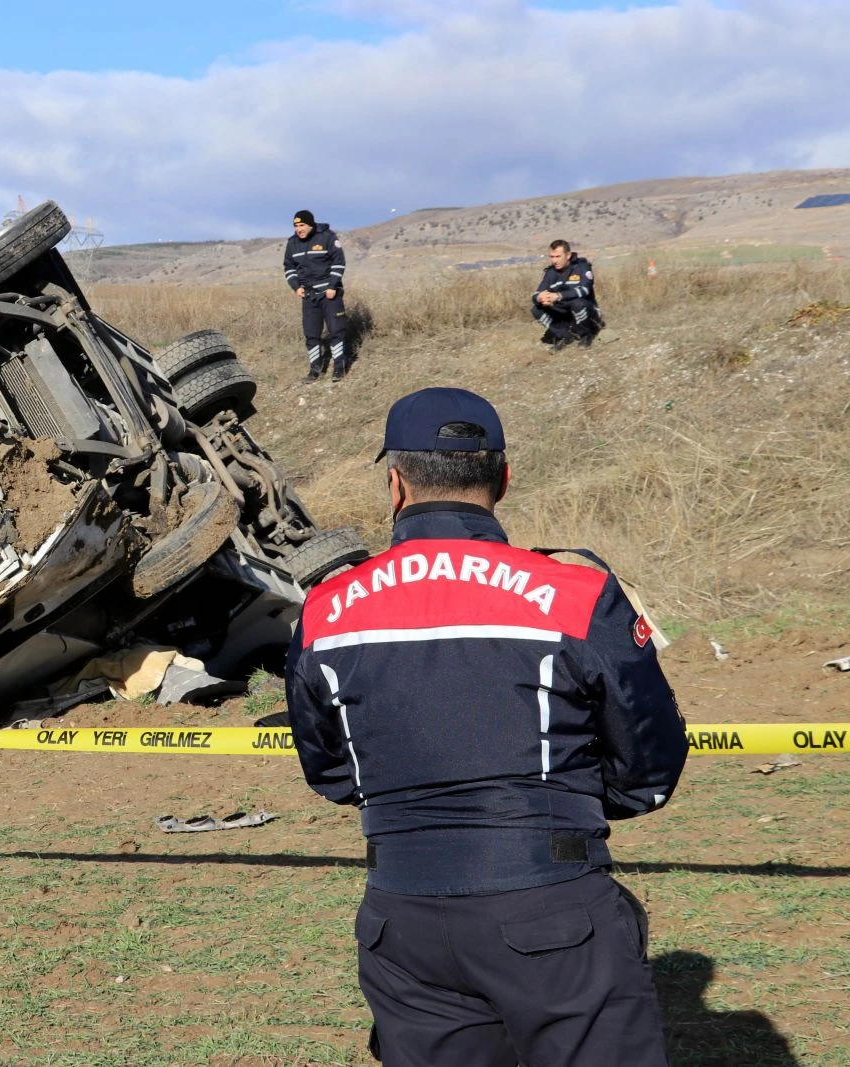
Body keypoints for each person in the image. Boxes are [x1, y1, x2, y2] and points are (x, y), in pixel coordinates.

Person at [286, 387, 688, 1066]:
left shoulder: (326, 609)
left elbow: (330, 769)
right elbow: (651, 754)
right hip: (553, 904)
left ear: (395, 484)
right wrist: (572, 806)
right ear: (503, 478)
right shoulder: (576, 592)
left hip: (402, 918)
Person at [283, 209, 350, 381]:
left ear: (311, 224)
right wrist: (296, 286)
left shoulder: (327, 237)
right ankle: (315, 370)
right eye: (296, 226)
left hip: (329, 294)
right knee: (311, 334)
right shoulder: (292, 243)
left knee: (336, 331)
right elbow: (289, 267)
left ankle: (339, 368)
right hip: (309, 296)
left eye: (302, 225)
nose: (299, 229)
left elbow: (338, 262)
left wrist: (332, 286)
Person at [532, 238, 605, 348]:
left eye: (558, 256)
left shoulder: (582, 267)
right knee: (536, 309)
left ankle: (587, 334)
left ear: (568, 255)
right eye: (552, 257)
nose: (554, 261)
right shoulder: (550, 273)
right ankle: (564, 335)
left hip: (588, 310)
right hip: (565, 314)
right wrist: (540, 298)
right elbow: (536, 293)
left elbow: (586, 289)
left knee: (577, 303)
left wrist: (558, 296)